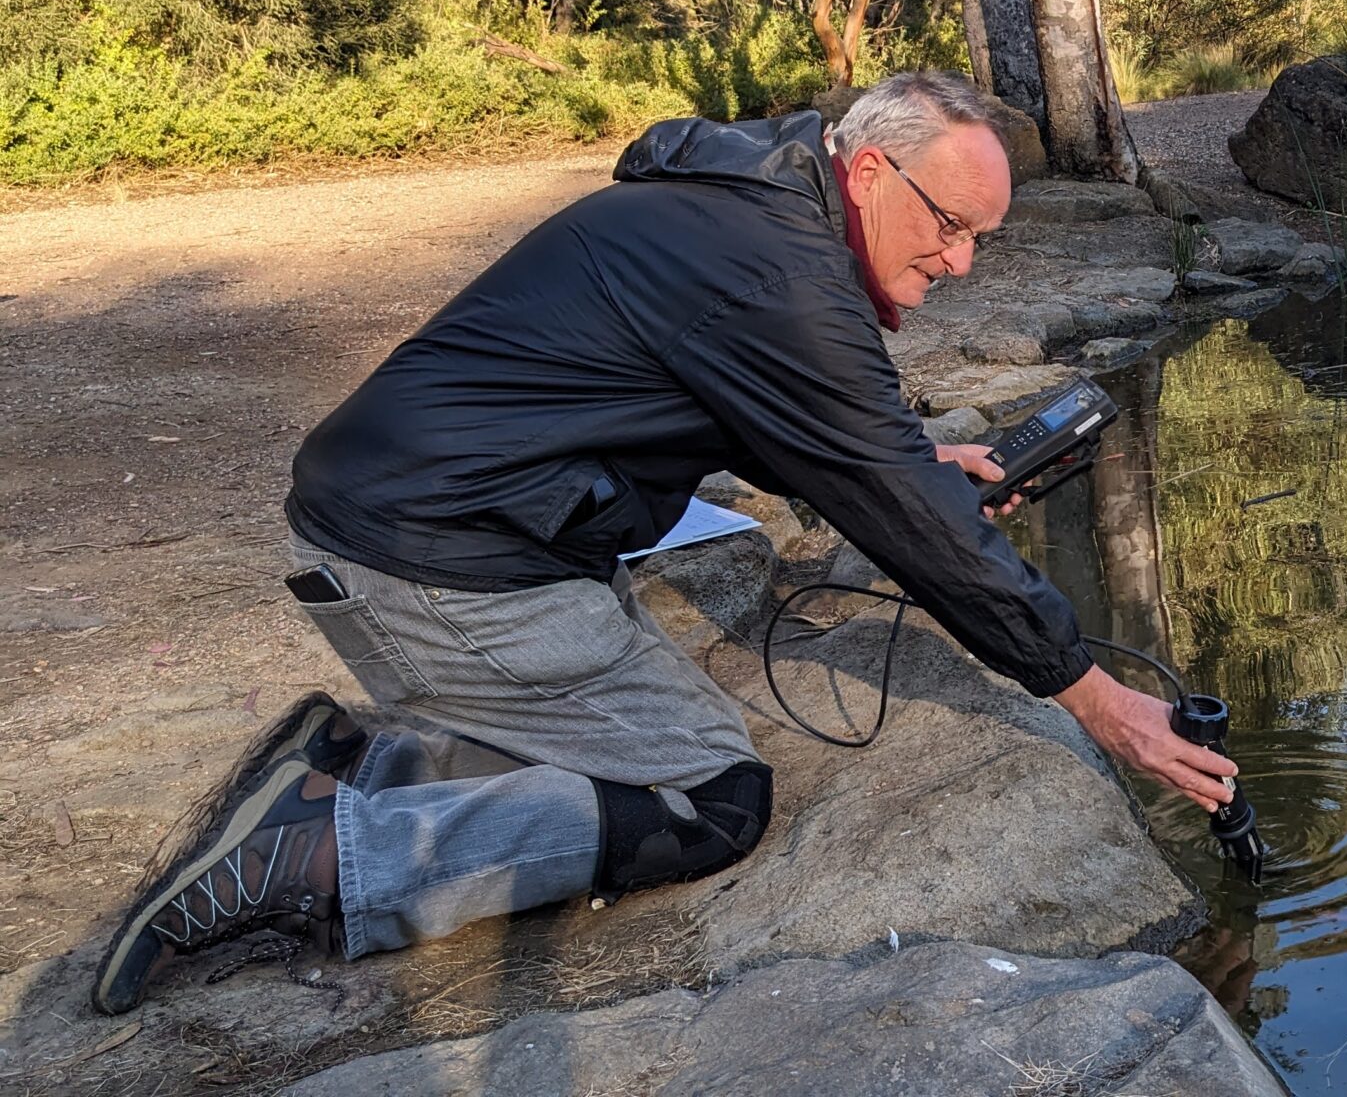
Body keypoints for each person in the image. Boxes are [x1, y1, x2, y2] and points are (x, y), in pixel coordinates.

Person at [92, 72, 1237, 1015]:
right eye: (952, 227)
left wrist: (913, 469)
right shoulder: (776, 270)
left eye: (981, 239)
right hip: (437, 564)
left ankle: (361, 761)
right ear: (873, 171)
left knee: (639, 743)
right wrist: (1087, 691)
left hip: (421, 529)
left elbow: (778, 415)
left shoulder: (749, 208)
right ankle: (307, 864)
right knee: (708, 801)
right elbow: (891, 505)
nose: (962, 264)